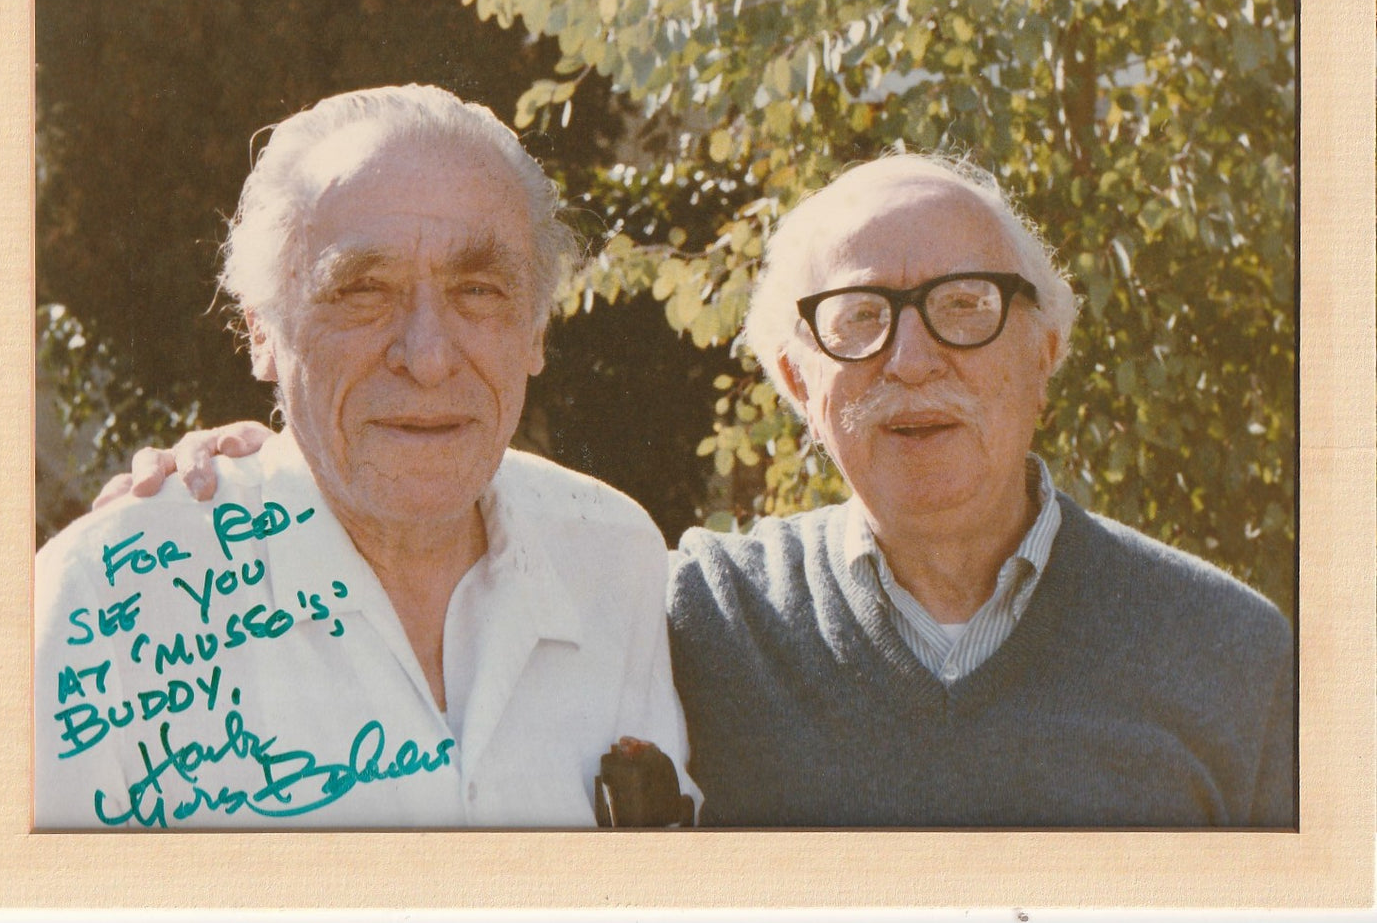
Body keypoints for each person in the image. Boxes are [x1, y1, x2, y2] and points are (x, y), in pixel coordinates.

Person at [105, 152, 1294, 829]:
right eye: (857, 319)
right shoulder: (693, 611)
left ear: (1046, 350)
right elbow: (453, 518)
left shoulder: (1228, 650)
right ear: (793, 380)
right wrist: (270, 464)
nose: (912, 359)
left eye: (966, 308)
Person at [35, 84, 694, 829]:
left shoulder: (614, 557)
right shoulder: (107, 600)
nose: (429, 356)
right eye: (360, 291)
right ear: (261, 332)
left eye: (477, 290)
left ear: (535, 329)